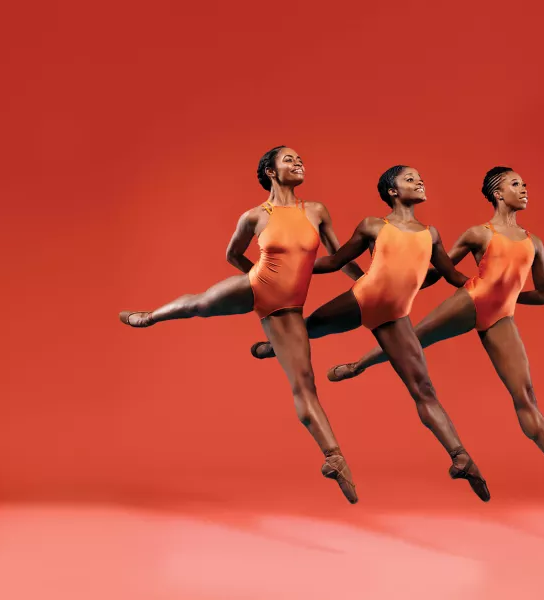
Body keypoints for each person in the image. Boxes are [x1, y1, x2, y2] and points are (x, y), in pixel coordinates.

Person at [324, 167, 544, 514]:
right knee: (414, 338)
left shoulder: (534, 243)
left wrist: (507, 296)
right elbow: (438, 268)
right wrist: (400, 285)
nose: (524, 189)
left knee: (525, 396)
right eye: (515, 184)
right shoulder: (479, 234)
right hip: (469, 300)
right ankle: (359, 364)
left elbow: (543, 296)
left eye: (525, 183)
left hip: (500, 317)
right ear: (497, 193)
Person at [118, 146, 363, 504]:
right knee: (201, 303)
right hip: (255, 285)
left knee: (304, 384)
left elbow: (338, 256)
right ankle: (152, 315)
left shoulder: (316, 211)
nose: (299, 163)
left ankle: (334, 458)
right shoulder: (254, 217)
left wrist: (363, 282)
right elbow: (233, 254)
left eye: (300, 159)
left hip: (287, 308)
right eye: (289, 159)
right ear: (271, 171)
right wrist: (260, 277)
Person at [250, 165, 490, 502]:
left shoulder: (431, 234)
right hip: (362, 299)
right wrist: (288, 266)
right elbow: (336, 262)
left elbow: (449, 274)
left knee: (423, 388)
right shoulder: (373, 225)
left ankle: (460, 456)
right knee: (306, 331)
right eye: (410, 179)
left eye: (421, 178)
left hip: (394, 316)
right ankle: (273, 346)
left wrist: (481, 283)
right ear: (392, 191)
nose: (420, 181)